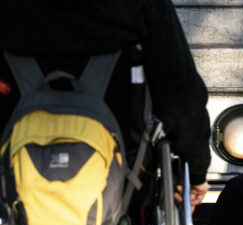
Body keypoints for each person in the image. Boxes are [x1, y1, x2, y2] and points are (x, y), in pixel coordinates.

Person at [0, 0, 210, 208]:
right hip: (122, 181)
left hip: (11, 171)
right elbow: (181, 96)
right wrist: (195, 172)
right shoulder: (139, 7)